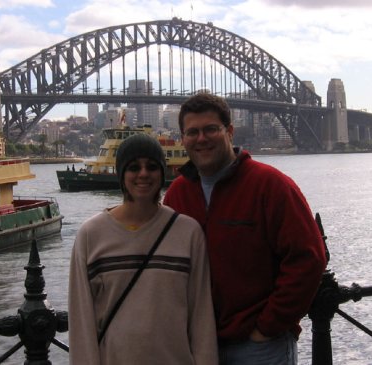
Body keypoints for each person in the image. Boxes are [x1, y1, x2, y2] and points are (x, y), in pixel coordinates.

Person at [163, 92, 327, 364]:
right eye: (192, 132)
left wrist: (268, 326)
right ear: (183, 139)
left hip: (259, 347)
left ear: (229, 131)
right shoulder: (178, 193)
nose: (201, 139)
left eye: (210, 129)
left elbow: (309, 258)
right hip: (199, 346)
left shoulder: (271, 185)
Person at [68, 134, 218, 365]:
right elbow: (81, 320)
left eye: (152, 166)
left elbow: (202, 317)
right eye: (133, 167)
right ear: (121, 174)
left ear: (162, 172)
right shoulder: (91, 235)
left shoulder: (189, 233)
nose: (143, 174)